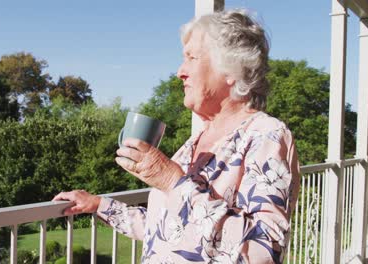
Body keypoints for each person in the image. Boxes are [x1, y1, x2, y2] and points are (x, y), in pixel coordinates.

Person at [53, 9, 300, 263]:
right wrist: (99, 205)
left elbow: (263, 252)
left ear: (232, 69)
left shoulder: (266, 135)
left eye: (192, 58)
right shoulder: (196, 141)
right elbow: (169, 227)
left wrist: (173, 181)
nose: (180, 71)